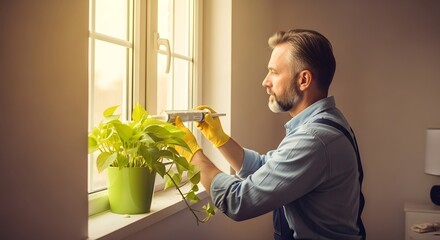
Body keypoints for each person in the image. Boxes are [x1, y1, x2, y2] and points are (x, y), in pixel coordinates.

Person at [175, 29, 366, 240]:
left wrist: (192, 154)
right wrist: (220, 139)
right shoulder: (326, 122)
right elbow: (265, 168)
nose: (265, 82)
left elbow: (239, 202)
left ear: (303, 80)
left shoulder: (314, 138)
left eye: (274, 72)